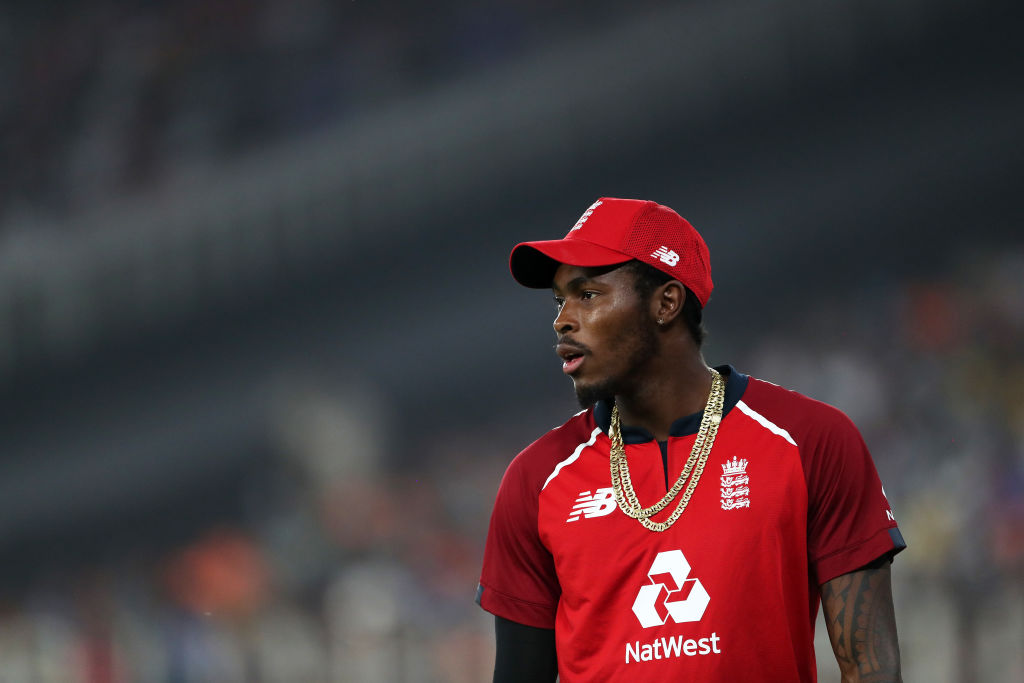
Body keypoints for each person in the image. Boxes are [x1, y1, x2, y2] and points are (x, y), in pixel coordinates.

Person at [476, 197, 906, 682]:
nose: (563, 320)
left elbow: (871, 668)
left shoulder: (809, 440)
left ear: (666, 303)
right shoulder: (536, 479)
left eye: (588, 295)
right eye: (560, 300)